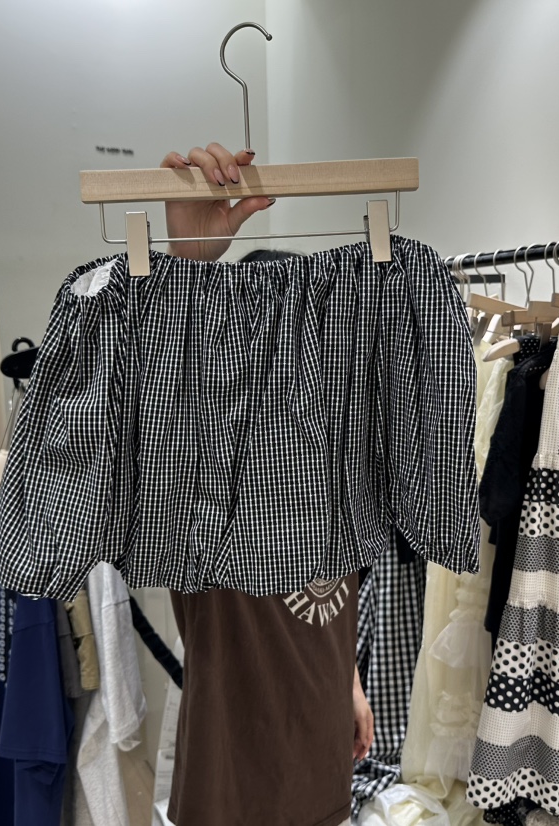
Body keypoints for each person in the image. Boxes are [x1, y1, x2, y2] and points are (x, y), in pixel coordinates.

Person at [160, 143, 373, 826]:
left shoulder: (338, 459)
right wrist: (191, 266)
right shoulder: (202, 465)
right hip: (232, 782)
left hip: (323, 757)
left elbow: (336, 600)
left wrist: (351, 684)